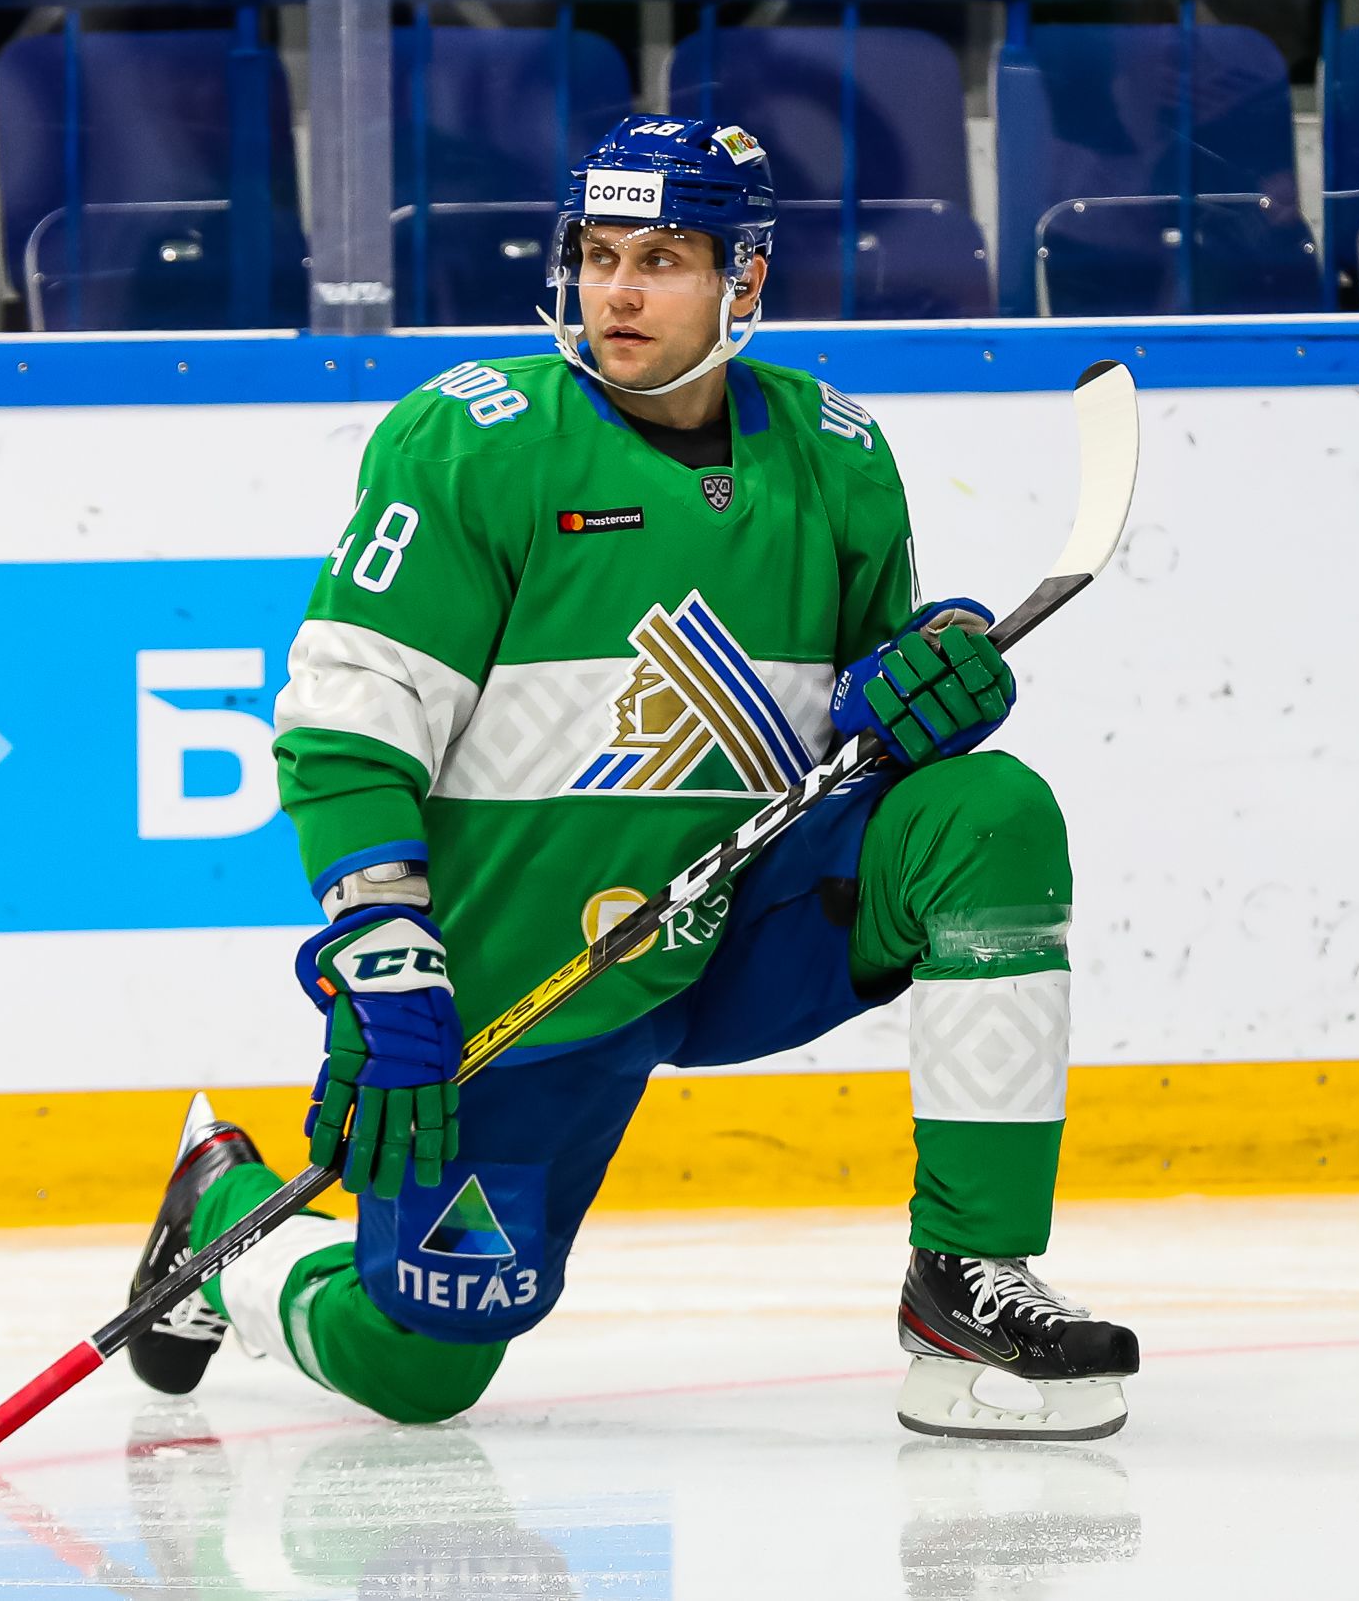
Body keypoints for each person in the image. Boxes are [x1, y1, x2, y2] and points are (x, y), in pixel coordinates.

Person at [122, 114, 1139, 1440]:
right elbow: (346, 721)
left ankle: (962, 1282)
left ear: (746, 279)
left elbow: (862, 709)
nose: (617, 291)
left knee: (987, 818)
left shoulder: (838, 449)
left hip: (739, 920)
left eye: (662, 257)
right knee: (424, 1359)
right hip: (520, 974)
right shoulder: (470, 443)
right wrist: (381, 940)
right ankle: (219, 1220)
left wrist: (933, 662)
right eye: (597, 254)